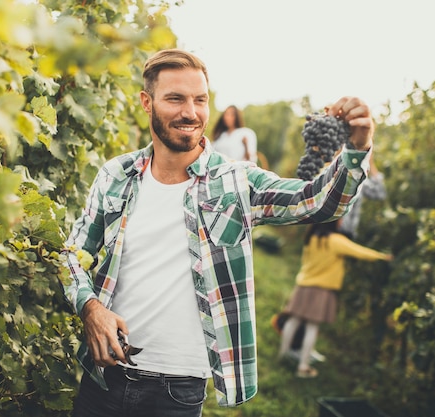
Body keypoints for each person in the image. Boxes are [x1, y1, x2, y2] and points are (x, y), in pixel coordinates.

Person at [62, 48, 375, 416]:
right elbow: (71, 254)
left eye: (200, 100)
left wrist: (358, 148)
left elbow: (319, 202)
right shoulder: (116, 176)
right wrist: (91, 307)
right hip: (103, 379)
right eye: (175, 98)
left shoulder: (237, 182)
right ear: (147, 103)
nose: (190, 112)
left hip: (176, 392)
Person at [276, 218, 393, 378]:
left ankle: (282, 355)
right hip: (322, 289)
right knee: (312, 327)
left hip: (303, 284)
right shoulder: (335, 241)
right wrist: (382, 257)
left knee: (294, 320)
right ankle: (303, 367)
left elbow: (305, 260)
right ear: (333, 222)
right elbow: (359, 251)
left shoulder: (311, 237)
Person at [339, 151, 387, 239]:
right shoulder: (336, 174)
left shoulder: (359, 181)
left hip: (347, 235)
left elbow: (380, 193)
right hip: (330, 234)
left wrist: (371, 163)